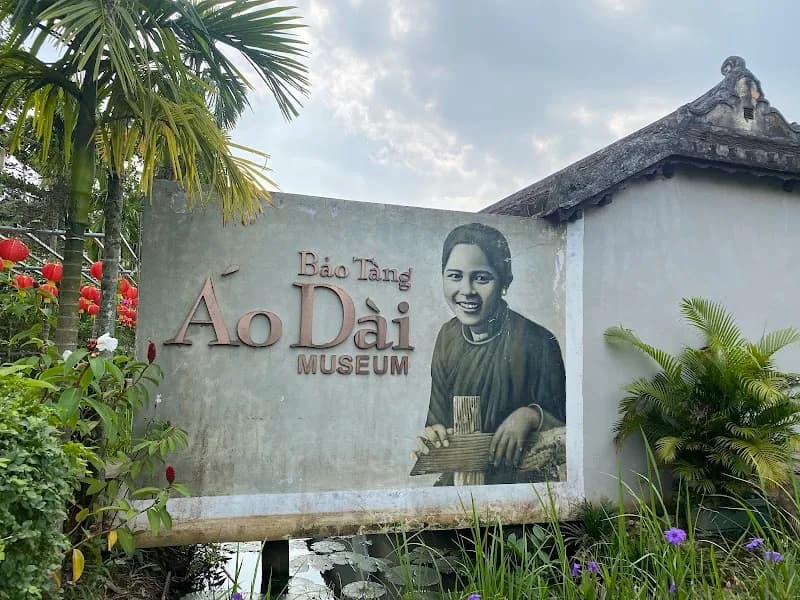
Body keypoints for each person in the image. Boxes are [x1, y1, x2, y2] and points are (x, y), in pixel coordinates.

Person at [413, 222, 566, 485]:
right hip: (460, 482)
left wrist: (530, 416)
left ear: (504, 282)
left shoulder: (539, 342)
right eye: (454, 276)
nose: (467, 290)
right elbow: (439, 420)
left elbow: (568, 425)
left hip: (524, 488)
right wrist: (435, 436)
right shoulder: (447, 337)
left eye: (481, 278)